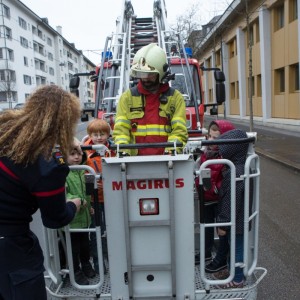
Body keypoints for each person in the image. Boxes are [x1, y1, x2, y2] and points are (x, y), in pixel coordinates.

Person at [0, 85, 82, 300]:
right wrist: (74, 204)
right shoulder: (49, 165)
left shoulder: (6, 132)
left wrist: (64, 146)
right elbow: (55, 218)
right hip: (10, 248)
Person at [112, 43, 188, 156]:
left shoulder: (175, 98)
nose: (146, 78)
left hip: (167, 162)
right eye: (142, 74)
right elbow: (121, 130)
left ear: (161, 73)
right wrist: (123, 150)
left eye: (150, 74)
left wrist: (171, 152)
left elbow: (179, 130)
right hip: (134, 163)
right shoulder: (127, 98)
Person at [212, 129, 249, 288]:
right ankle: (232, 272)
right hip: (239, 219)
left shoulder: (235, 172)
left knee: (236, 249)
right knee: (234, 247)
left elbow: (230, 201)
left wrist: (222, 224)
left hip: (235, 221)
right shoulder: (239, 167)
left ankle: (237, 279)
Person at [195, 120, 234, 266]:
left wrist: (215, 189)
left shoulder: (225, 157)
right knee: (206, 227)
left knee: (222, 229)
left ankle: (221, 258)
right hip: (206, 197)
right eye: (209, 136)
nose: (210, 140)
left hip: (219, 199)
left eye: (216, 138)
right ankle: (205, 253)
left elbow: (224, 180)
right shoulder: (207, 153)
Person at [84, 118, 114, 273]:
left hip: (112, 198)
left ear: (108, 135)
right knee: (96, 233)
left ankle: (115, 261)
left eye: (102, 133)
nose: (99, 137)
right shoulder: (85, 153)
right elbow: (81, 175)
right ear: (90, 135)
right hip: (95, 200)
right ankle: (99, 264)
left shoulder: (114, 149)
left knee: (114, 230)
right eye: (95, 134)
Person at [65, 138, 96, 285]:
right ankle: (75, 271)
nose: (76, 157)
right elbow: (65, 194)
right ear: (65, 156)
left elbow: (88, 194)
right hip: (71, 219)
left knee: (85, 245)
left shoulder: (84, 170)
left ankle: (86, 265)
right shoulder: (64, 173)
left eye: (78, 154)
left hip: (84, 217)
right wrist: (78, 200)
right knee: (73, 248)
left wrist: (89, 205)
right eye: (72, 154)